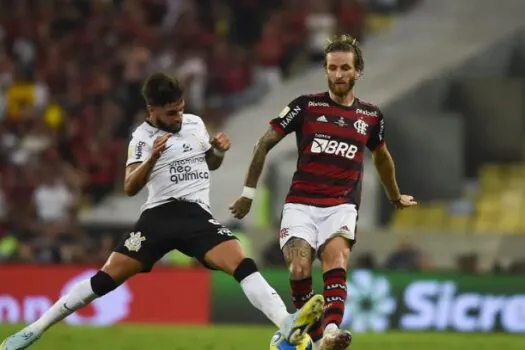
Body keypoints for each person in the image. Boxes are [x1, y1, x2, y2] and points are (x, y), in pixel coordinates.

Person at [1, 73, 324, 350]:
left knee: (242, 262)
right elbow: (129, 187)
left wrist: (217, 151)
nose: (178, 117)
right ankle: (35, 329)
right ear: (152, 110)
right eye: (171, 113)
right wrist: (153, 158)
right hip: (158, 216)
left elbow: (209, 165)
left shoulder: (195, 123)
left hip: (196, 215)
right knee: (105, 279)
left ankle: (287, 325)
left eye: (180, 109)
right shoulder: (141, 138)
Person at [229, 35, 417, 350]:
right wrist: (248, 193)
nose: (339, 74)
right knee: (299, 267)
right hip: (301, 204)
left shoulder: (370, 117)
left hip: (341, 205)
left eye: (345, 68)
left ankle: (330, 331)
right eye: (332, 68)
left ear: (358, 72)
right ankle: (316, 340)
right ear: (325, 70)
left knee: (336, 260)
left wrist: (395, 196)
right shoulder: (305, 106)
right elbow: (263, 143)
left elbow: (382, 158)